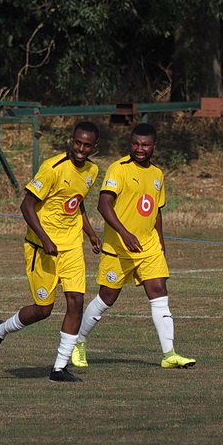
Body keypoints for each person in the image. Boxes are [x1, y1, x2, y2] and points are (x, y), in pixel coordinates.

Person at [0, 121, 102, 382]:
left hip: (71, 247)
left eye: (87, 145)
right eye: (77, 143)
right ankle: (0, 330)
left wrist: (91, 233)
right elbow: (26, 206)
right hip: (42, 248)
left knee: (76, 302)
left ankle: (59, 368)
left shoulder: (92, 170)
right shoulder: (52, 168)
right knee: (43, 309)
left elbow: (76, 204)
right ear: (71, 141)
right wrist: (45, 238)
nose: (81, 149)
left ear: (95, 146)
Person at [71, 123, 196, 369]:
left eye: (145, 145)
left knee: (159, 292)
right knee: (107, 298)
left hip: (148, 247)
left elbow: (156, 212)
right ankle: (78, 341)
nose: (140, 149)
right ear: (130, 144)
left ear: (154, 147)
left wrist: (160, 242)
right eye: (136, 144)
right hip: (119, 247)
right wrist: (124, 233)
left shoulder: (157, 174)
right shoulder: (118, 169)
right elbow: (103, 205)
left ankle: (169, 354)